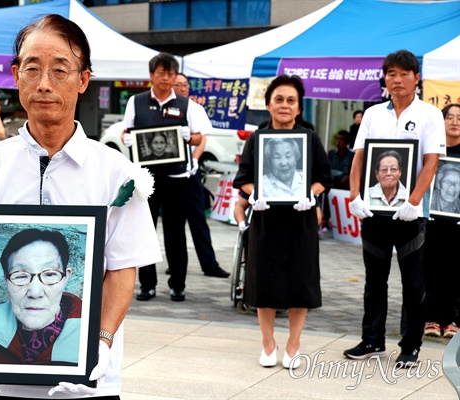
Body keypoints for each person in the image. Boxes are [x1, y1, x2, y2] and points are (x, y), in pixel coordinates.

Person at [0, 14, 161, 399]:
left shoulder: (116, 173)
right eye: (33, 69)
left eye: (60, 70)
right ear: (15, 75)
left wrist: (102, 343)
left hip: (87, 381)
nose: (44, 84)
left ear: (84, 79)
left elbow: (123, 272)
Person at [344, 50, 446, 368]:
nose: (397, 79)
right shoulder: (373, 113)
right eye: (391, 73)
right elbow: (359, 156)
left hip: (409, 214)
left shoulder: (430, 115)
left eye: (404, 73)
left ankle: (411, 345)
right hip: (375, 211)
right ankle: (372, 339)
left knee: (413, 283)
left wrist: (414, 201)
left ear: (417, 78)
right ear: (384, 79)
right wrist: (354, 195)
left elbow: (431, 163)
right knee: (374, 280)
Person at [233, 74, 332, 369]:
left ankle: (293, 342)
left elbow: (323, 178)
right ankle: (268, 342)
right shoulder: (256, 140)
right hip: (266, 221)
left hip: (300, 222)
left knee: (299, 283)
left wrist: (310, 195)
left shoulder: (310, 139)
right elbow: (244, 179)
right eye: (279, 99)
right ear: (268, 104)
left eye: (291, 100)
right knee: (265, 283)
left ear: (299, 107)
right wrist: (254, 195)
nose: (285, 105)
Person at [121, 52, 203, 302]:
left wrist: (190, 136)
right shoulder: (136, 101)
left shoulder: (185, 105)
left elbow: (199, 137)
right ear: (151, 75)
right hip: (146, 179)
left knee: (176, 233)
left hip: (177, 178)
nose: (166, 78)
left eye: (170, 73)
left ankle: (178, 284)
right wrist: (126, 138)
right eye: (161, 73)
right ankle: (147, 285)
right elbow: (126, 131)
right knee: (145, 231)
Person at [0, 229, 82, 365]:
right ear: (6, 280)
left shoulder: (89, 330)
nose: (35, 293)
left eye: (50, 274)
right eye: (20, 276)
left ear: (66, 277)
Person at [172, 72, 229, 278]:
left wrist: (195, 160)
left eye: (185, 85)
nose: (182, 88)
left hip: (190, 172)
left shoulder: (194, 108)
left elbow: (201, 138)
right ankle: (175, 264)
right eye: (178, 85)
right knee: (174, 224)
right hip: (170, 175)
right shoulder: (165, 107)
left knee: (198, 220)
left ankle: (209, 264)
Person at [423, 103, 460, 339]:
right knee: (431, 269)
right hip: (432, 221)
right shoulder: (432, 149)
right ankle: (433, 319)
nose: (455, 122)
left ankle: (454, 320)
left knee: (457, 271)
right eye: (450, 117)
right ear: (441, 121)